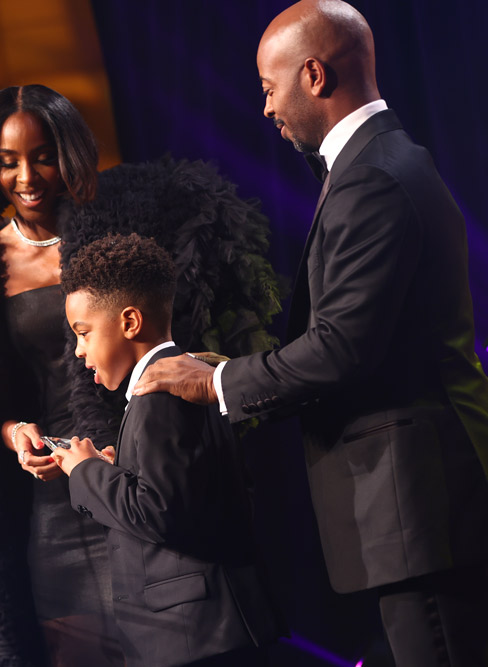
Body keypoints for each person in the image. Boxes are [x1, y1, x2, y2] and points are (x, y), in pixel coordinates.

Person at [0, 84, 281, 666]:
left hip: (137, 479)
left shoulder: (127, 238)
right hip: (52, 507)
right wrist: (12, 434)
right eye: (8, 161)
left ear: (69, 153)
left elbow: (186, 340)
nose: (27, 177)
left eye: (42, 156)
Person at [132, 2, 488, 664]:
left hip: (424, 507)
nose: (265, 108)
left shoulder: (374, 177)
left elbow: (341, 348)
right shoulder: (381, 162)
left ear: (314, 75)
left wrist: (216, 382)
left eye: (270, 88)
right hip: (424, 506)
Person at [51, 233, 279, 666]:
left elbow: (159, 510)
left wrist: (85, 471)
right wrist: (116, 472)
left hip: (198, 635)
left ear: (130, 322)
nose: (79, 351)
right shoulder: (183, 376)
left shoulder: (159, 390)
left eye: (83, 333)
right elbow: (180, 492)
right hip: (208, 631)